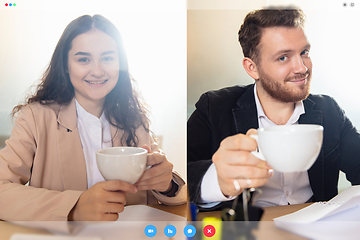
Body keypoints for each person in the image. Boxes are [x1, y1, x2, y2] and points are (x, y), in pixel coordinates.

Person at [0, 14, 186, 221]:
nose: (97, 71)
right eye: (83, 59)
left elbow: (176, 196)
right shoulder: (35, 118)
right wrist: (75, 207)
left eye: (107, 58)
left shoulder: (134, 120)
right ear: (65, 65)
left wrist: (168, 184)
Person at [187, 8, 360, 209]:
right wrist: (217, 179)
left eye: (304, 52)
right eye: (283, 57)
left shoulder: (329, 110)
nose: (302, 68)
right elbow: (182, 177)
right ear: (252, 68)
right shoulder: (214, 107)